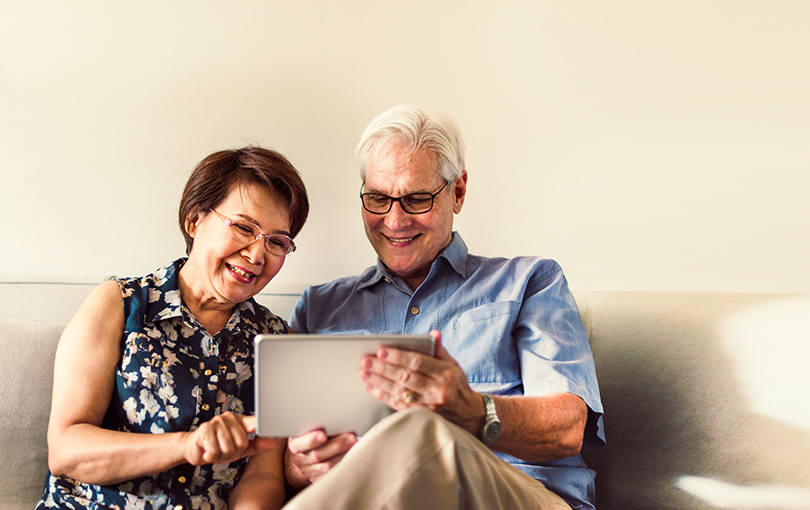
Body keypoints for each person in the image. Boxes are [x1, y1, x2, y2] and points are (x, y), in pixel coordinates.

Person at [283, 106, 605, 510]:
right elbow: (281, 460)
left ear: (458, 192)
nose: (395, 220)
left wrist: (473, 411)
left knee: (418, 430)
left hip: (519, 496)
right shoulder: (318, 309)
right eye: (378, 199)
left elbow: (568, 428)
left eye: (417, 199)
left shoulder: (530, 283)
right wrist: (300, 466)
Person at [36, 146, 309, 510]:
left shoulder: (277, 341)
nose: (257, 255)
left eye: (276, 241)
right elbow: (67, 450)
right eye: (244, 227)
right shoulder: (119, 304)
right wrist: (186, 445)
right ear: (195, 221)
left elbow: (264, 475)